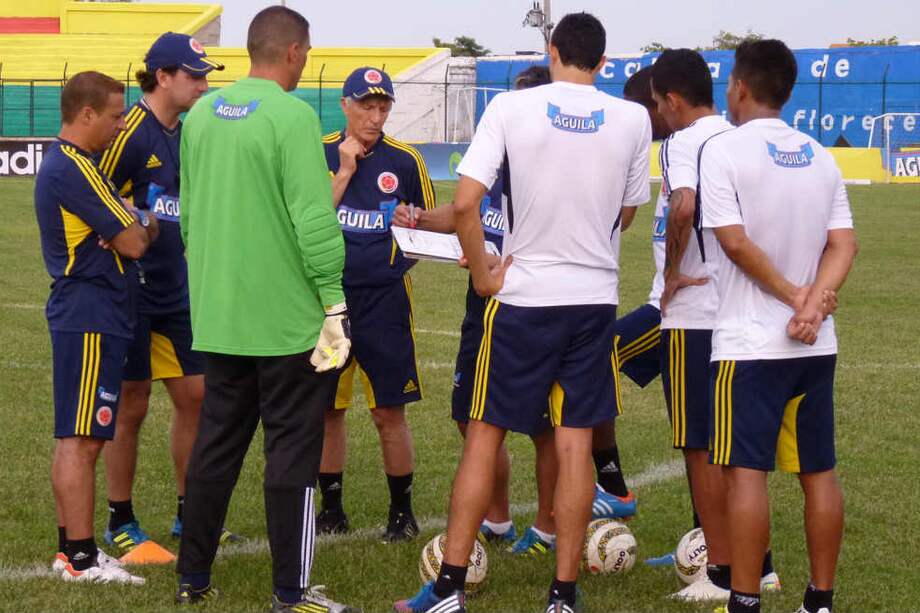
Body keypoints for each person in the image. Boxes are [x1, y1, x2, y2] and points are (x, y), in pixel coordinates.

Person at [396, 12, 651, 613]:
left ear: (552, 49)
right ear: (604, 62)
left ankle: (449, 589)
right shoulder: (633, 117)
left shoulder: (512, 109)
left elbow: (464, 205)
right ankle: (563, 595)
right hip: (592, 300)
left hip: (524, 299)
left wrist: (485, 271)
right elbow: (629, 211)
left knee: (484, 435)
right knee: (574, 442)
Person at [175, 7, 356, 612]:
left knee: (215, 450)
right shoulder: (292, 115)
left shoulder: (200, 113)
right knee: (292, 457)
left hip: (222, 318)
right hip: (286, 326)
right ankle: (291, 592)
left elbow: (190, 215)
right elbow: (313, 219)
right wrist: (334, 302)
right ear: (296, 51)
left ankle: (191, 579)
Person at [697, 39, 857, 613]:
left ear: (739, 86)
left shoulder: (723, 151)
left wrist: (797, 298)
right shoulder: (820, 154)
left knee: (746, 474)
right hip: (815, 345)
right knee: (818, 472)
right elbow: (844, 244)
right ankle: (820, 601)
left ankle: (745, 599)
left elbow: (734, 241)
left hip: (750, 344)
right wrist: (814, 305)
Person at [392, 65, 559, 554]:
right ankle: (500, 521)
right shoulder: (501, 160)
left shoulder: (557, 171)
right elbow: (466, 210)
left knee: (544, 429)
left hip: (534, 309)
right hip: (481, 306)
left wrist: (498, 261)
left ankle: (547, 529)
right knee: (472, 418)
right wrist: (421, 217)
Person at [97, 31, 234, 563]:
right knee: (130, 405)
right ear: (162, 78)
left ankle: (190, 512)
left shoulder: (190, 131)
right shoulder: (128, 131)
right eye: (194, 76)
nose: (203, 85)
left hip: (179, 289)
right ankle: (120, 519)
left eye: (205, 76)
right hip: (130, 290)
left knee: (196, 398)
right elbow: (95, 197)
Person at [36, 70, 157, 584]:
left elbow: (131, 228)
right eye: (112, 115)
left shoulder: (78, 164)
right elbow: (134, 241)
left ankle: (75, 550)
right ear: (86, 115)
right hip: (89, 313)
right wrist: (137, 222)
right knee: (82, 439)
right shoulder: (73, 167)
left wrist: (132, 220)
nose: (118, 125)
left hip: (92, 311)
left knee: (83, 435)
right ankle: (80, 558)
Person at [318, 66, 435, 542]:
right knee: (327, 409)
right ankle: (330, 510)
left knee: (389, 411)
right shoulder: (319, 152)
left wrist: (414, 222)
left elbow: (430, 229)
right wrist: (345, 170)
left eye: (383, 107)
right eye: (366, 106)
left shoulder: (405, 161)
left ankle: (401, 514)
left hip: (385, 303)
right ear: (345, 105)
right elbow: (307, 218)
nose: (375, 116)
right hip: (326, 302)